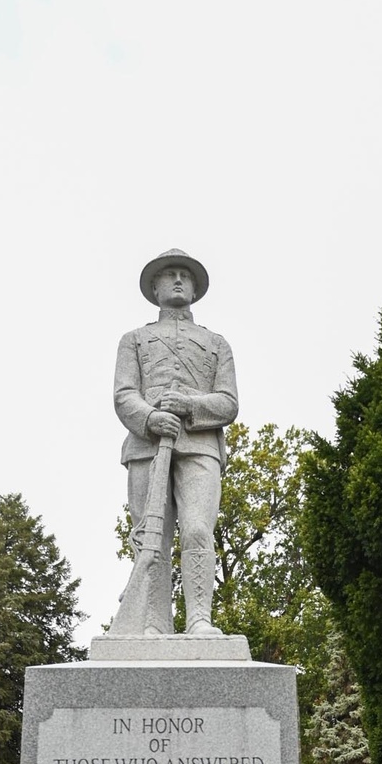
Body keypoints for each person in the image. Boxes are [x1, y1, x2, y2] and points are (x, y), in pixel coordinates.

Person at [113, 248, 239, 637]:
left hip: (200, 447)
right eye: (170, 274)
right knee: (153, 536)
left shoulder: (216, 344)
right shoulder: (134, 339)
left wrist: (188, 405)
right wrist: (151, 418)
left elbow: (228, 402)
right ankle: (152, 621)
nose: (179, 279)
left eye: (185, 274)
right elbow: (124, 394)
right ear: (154, 286)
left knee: (199, 530)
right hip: (146, 446)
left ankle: (200, 617)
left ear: (196, 288)